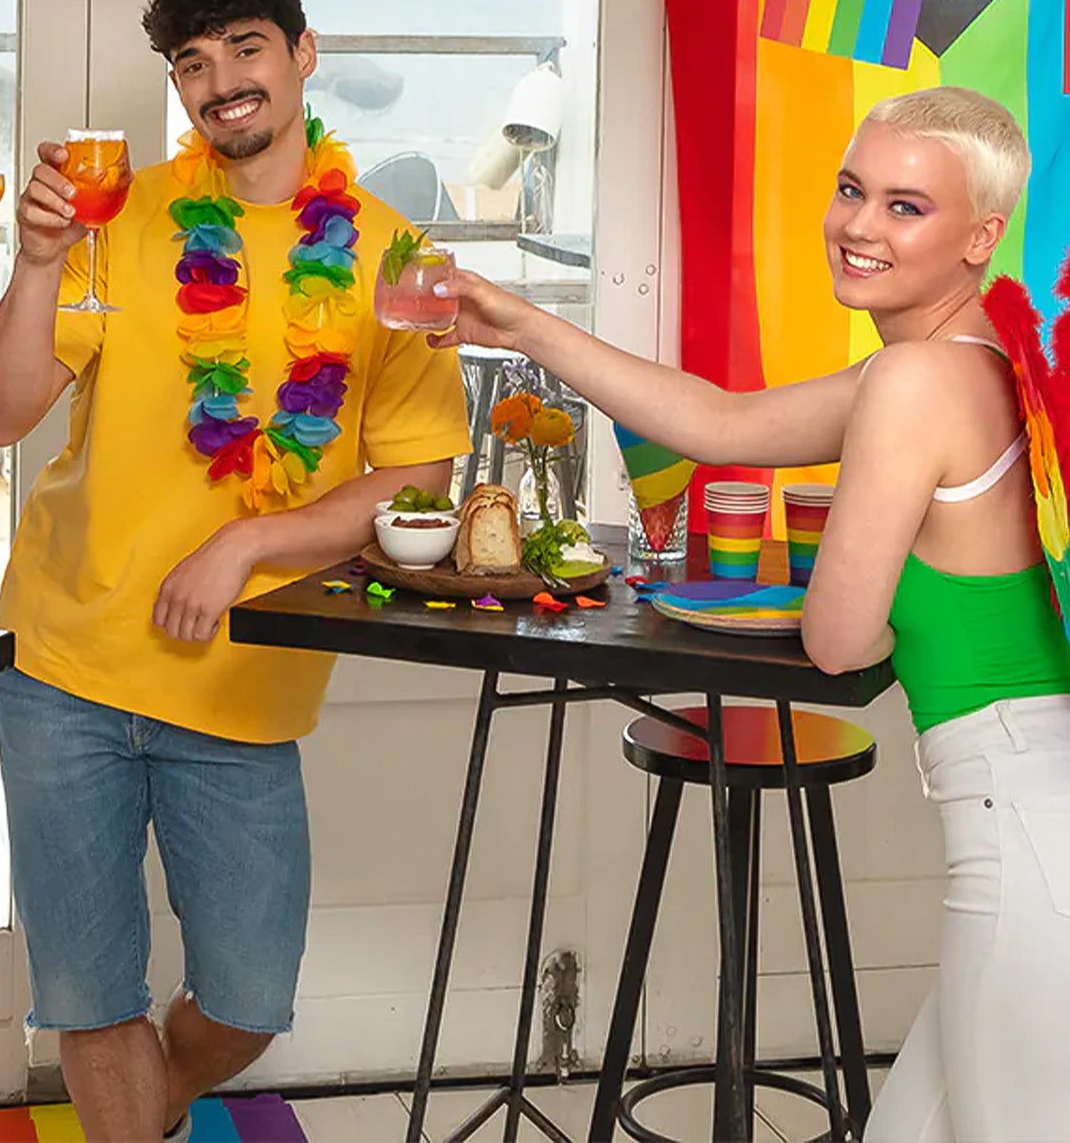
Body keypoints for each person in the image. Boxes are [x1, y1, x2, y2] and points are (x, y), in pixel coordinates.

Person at [434, 85, 1070, 1142]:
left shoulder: (912, 386)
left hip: (1023, 839)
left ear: (978, 238)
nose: (859, 226)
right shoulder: (977, 360)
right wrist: (518, 322)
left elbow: (836, 640)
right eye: (850, 190)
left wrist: (859, 585)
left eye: (905, 207)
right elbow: (719, 421)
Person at [0, 0, 470, 1142]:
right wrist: (37, 261)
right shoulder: (118, 217)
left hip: (244, 683)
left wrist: (255, 545)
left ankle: (142, 1113)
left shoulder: (390, 254)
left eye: (245, 48)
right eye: (192, 62)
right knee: (91, 997)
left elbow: (420, 477)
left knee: (244, 1002)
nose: (220, 80)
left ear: (303, 55)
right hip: (66, 657)